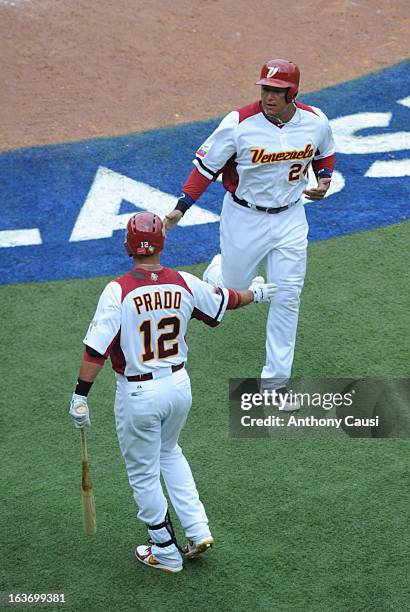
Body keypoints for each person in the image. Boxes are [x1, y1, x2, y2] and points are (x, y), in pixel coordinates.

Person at [69, 211, 277, 573]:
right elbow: (223, 302)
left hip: (139, 394)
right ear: (161, 243)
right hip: (179, 387)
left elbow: (95, 351)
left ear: (128, 246)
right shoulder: (181, 282)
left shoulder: (118, 290)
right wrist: (256, 294)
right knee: (170, 452)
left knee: (144, 473)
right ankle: (197, 529)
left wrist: (80, 395)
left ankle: (163, 549)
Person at [163, 59, 336, 409]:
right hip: (244, 218)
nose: (269, 96)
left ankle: (275, 384)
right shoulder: (239, 124)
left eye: (276, 91)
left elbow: (325, 153)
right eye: (265, 89)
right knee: (233, 291)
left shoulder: (315, 121)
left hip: (290, 219)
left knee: (287, 296)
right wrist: (181, 207)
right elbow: (205, 168)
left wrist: (324, 179)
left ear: (293, 92)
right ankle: (217, 270)